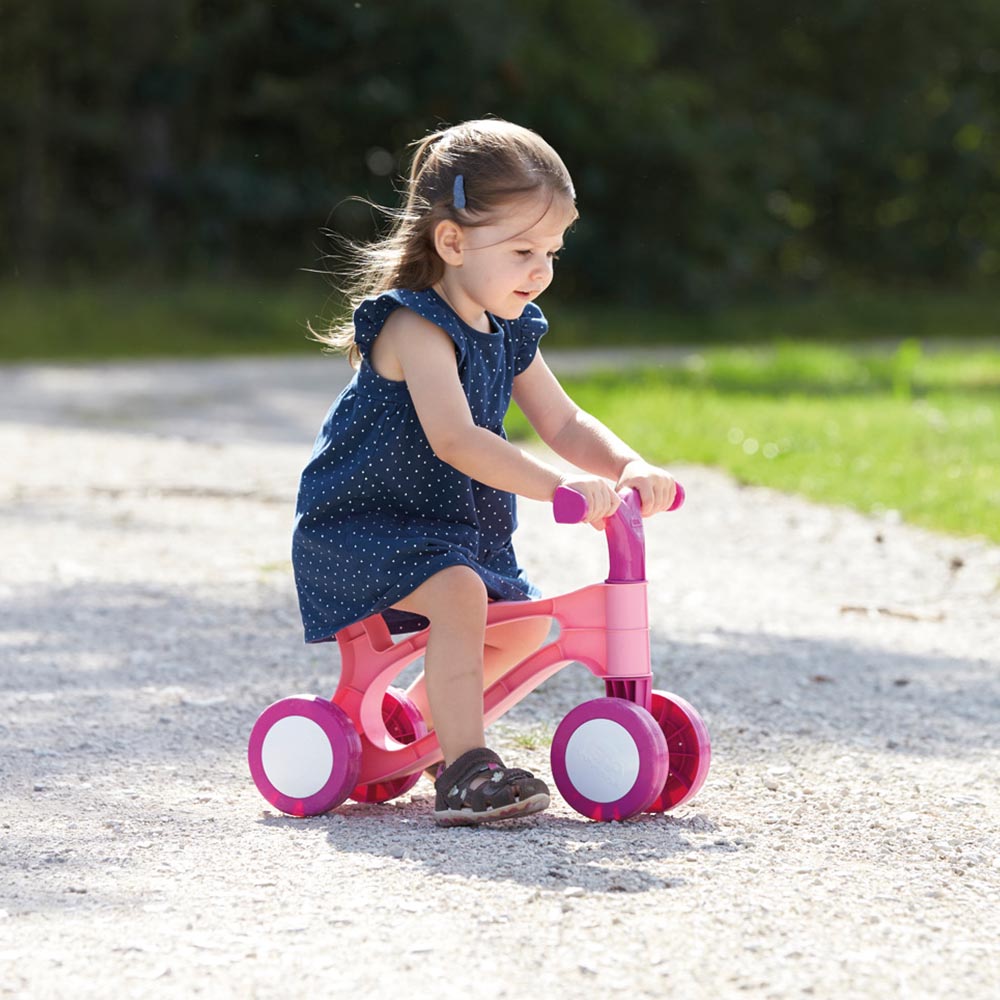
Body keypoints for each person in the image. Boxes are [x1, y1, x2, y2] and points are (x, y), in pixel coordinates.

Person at [293, 118, 677, 826]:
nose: (542, 271)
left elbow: (565, 423)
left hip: (447, 532)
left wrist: (628, 464)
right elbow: (457, 441)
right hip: (368, 528)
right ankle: (465, 769)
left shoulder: (511, 330)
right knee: (464, 595)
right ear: (452, 241)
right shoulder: (415, 326)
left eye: (553, 252)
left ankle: (419, 721)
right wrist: (556, 487)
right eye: (524, 250)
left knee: (525, 627)